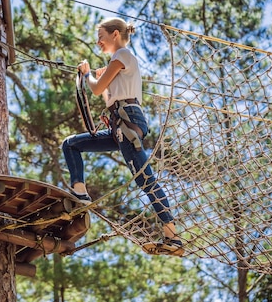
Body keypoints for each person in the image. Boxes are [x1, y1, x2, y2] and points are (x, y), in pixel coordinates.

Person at [61, 17, 183, 254]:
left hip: (128, 124)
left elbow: (95, 89)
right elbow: (107, 97)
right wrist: (103, 80)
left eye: (101, 36)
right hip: (119, 126)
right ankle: (80, 193)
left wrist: (88, 75)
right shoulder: (118, 62)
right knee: (71, 144)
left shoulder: (123, 55)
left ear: (115, 34)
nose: (99, 42)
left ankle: (173, 237)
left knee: (145, 179)